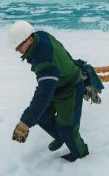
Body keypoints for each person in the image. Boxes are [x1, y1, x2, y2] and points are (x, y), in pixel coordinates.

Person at [7, 20, 90, 162]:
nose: (17, 50)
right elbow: (62, 50)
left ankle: (80, 155)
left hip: (70, 88)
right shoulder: (41, 35)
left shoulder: (45, 61)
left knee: (67, 128)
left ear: (30, 39)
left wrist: (25, 123)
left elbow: (43, 94)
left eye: (19, 45)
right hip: (56, 85)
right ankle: (60, 137)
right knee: (42, 115)